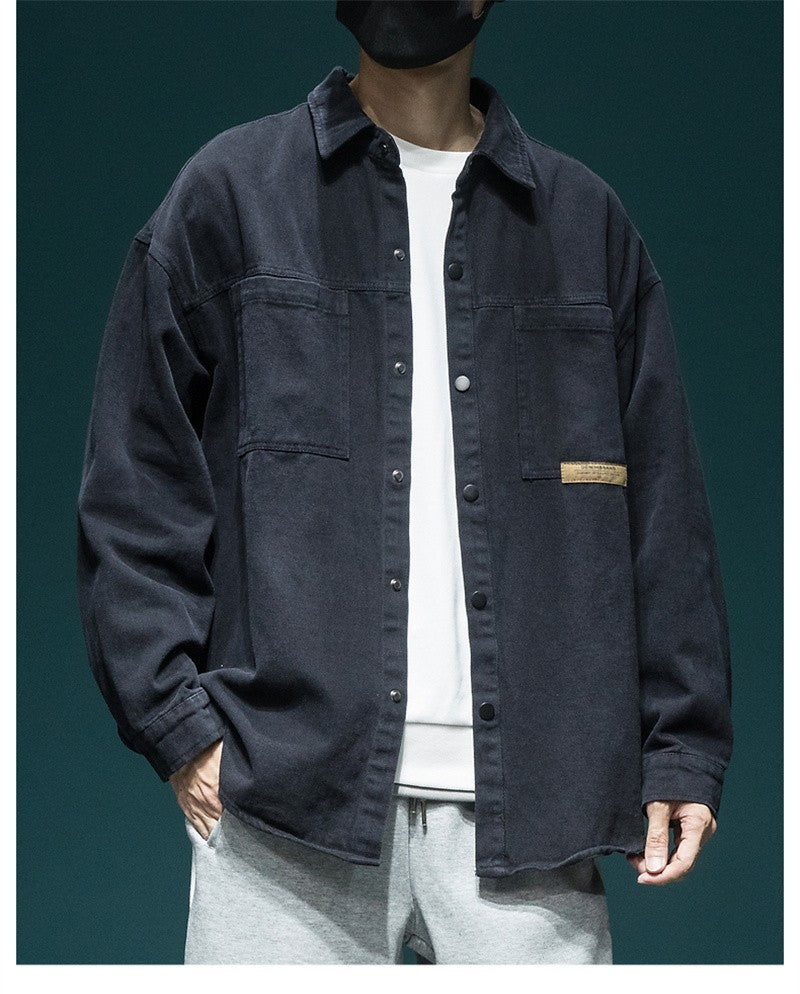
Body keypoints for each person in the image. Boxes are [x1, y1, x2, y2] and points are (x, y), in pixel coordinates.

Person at [76, 0, 734, 965]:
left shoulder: (584, 223)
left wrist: (682, 744)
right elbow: (135, 486)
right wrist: (180, 724)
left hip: (531, 820)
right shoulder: (232, 195)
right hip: (285, 816)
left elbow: (663, 509)